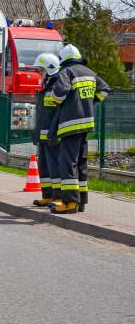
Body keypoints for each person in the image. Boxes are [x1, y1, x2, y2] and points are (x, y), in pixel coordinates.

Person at [48, 44, 110, 213]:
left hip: (70, 125)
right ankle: (81, 201)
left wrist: (56, 97)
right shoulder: (90, 72)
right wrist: (90, 103)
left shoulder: (66, 72)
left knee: (68, 163)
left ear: (63, 59)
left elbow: (59, 95)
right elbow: (105, 90)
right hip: (86, 124)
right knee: (81, 163)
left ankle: (69, 203)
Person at [32, 53, 62, 207]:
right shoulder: (47, 85)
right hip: (43, 135)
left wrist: (53, 132)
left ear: (49, 69)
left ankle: (57, 196)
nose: (40, 74)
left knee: (54, 166)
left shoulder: (57, 85)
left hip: (52, 135)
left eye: (41, 71)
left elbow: (57, 113)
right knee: (43, 166)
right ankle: (47, 195)